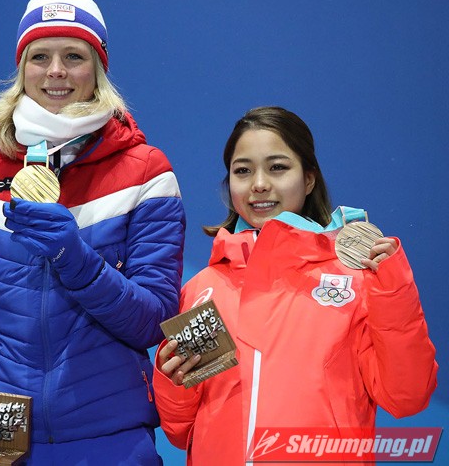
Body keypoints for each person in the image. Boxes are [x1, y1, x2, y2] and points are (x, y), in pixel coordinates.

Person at [0, 0, 186, 465]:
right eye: (40, 56)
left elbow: (153, 321)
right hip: (2, 437)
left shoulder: (147, 173)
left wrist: (77, 261)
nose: (56, 71)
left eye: (74, 56)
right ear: (21, 70)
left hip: (110, 437)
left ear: (98, 68)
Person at [153, 106, 438, 465]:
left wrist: (393, 289)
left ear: (309, 179)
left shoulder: (359, 281)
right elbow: (180, 433)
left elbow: (407, 396)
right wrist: (174, 383)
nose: (259, 184)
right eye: (243, 170)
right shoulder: (203, 288)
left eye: (277, 167)